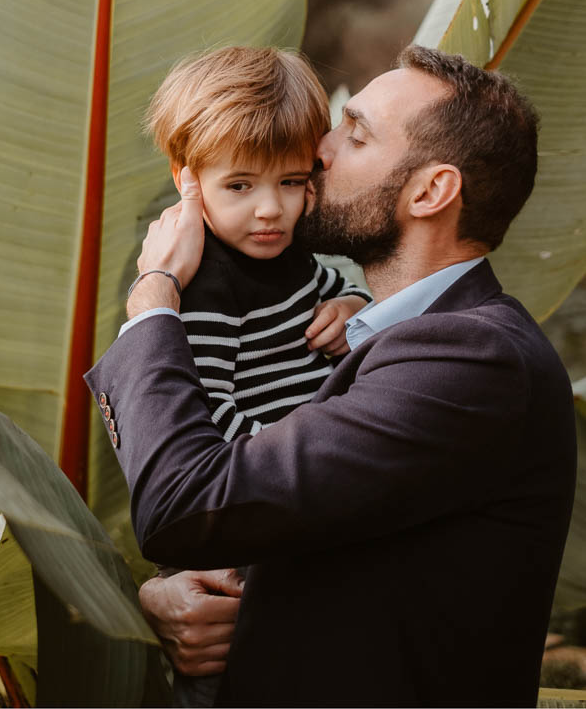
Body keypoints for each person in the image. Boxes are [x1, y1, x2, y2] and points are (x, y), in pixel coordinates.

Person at [87, 46, 575, 706]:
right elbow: (316, 529)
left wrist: (153, 300)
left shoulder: (477, 359)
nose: (319, 150)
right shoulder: (385, 334)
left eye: (356, 132)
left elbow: (191, 501)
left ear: (431, 190)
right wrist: (180, 594)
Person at [139, 46, 370, 705]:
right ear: (189, 180)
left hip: (295, 513)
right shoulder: (205, 284)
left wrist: (354, 305)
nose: (270, 209)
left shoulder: (297, 253)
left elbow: (337, 289)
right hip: (233, 534)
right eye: (239, 185)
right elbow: (203, 420)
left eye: (292, 181)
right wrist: (314, 448)